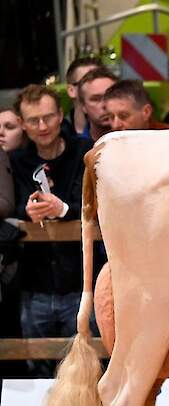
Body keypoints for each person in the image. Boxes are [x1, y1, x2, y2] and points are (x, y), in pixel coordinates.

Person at [8, 85, 91, 377]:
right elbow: (11, 207)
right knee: (38, 370)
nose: (42, 126)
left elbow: (95, 204)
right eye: (33, 120)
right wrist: (26, 214)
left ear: (60, 115)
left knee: (88, 365)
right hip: (34, 284)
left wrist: (63, 210)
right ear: (22, 123)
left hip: (81, 283)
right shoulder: (15, 160)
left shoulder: (84, 152)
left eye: (48, 117)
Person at [104, 80, 169, 132]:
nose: (115, 125)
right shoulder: (106, 143)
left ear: (146, 112)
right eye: (111, 117)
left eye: (123, 116)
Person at [61, 57, 103, 137]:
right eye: (85, 81)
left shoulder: (117, 126)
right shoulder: (59, 133)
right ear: (71, 90)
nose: (96, 88)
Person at [76, 67, 119, 141]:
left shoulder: (140, 140)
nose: (104, 105)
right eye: (95, 99)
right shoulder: (76, 149)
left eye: (110, 96)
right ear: (83, 106)